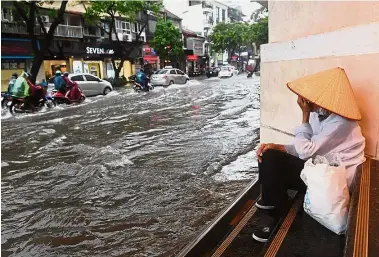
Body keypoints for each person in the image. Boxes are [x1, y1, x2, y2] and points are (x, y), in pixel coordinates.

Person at [252, 67, 365, 243]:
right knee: (269, 153)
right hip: (321, 166)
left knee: (273, 161)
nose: (305, 101)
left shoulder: (342, 122)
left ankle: (276, 215)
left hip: (338, 177)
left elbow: (306, 151)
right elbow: (306, 146)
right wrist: (278, 146)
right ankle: (272, 200)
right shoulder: (319, 113)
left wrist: (304, 115)